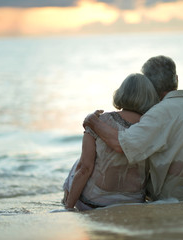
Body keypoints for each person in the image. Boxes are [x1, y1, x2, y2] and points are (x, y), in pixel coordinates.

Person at [83, 55, 183, 201]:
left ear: (148, 85)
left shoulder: (160, 112)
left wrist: (93, 122)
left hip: (178, 197)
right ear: (176, 79)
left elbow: (121, 145)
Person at [63, 73, 160, 210]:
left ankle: (66, 202)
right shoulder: (149, 128)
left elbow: (85, 168)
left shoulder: (99, 121)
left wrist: (69, 207)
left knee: (78, 165)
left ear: (121, 93)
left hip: (94, 202)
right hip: (134, 202)